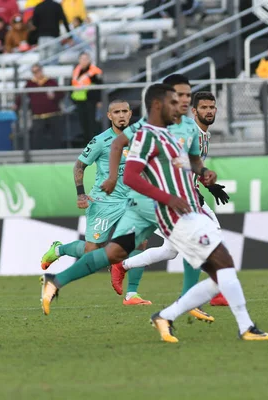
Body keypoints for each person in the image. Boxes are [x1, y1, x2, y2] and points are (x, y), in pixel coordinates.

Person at [124, 84, 268, 343]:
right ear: (158, 106)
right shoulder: (153, 134)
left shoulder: (187, 134)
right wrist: (167, 196)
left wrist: (207, 180)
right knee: (222, 263)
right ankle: (244, 326)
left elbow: (187, 167)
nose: (180, 106)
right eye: (175, 101)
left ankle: (166, 314)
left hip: (191, 205)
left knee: (218, 269)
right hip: (177, 211)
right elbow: (131, 171)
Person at [107, 76, 228, 312]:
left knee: (170, 250)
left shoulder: (203, 135)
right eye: (203, 107)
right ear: (194, 111)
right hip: (179, 198)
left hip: (191, 194)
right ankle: (216, 292)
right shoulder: (187, 130)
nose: (209, 111)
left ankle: (122, 266)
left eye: (212, 107)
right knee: (212, 238)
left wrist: (208, 183)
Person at [39, 99, 155, 314]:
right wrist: (80, 193)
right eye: (116, 112)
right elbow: (79, 165)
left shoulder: (140, 139)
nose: (121, 115)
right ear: (109, 116)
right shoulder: (100, 141)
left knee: (141, 241)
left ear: (130, 114)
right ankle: (59, 249)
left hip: (130, 200)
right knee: (93, 250)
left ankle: (132, 294)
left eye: (125, 111)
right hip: (103, 201)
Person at [16, 64, 65, 149]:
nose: (36, 73)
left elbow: (61, 94)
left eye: (37, 71)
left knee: (56, 135)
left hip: (53, 113)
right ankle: (37, 155)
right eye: (34, 72)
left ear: (41, 70)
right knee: (37, 137)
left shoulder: (50, 82)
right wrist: (16, 105)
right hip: (37, 115)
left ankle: (57, 153)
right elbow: (21, 96)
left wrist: (54, 96)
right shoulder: (30, 83)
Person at [71, 52, 102, 146]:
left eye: (86, 59)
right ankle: (86, 143)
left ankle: (94, 143)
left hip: (91, 100)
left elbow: (99, 86)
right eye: (82, 59)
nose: (84, 61)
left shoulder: (94, 71)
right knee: (82, 122)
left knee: (92, 122)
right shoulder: (76, 70)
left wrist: (99, 100)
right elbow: (72, 84)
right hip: (79, 100)